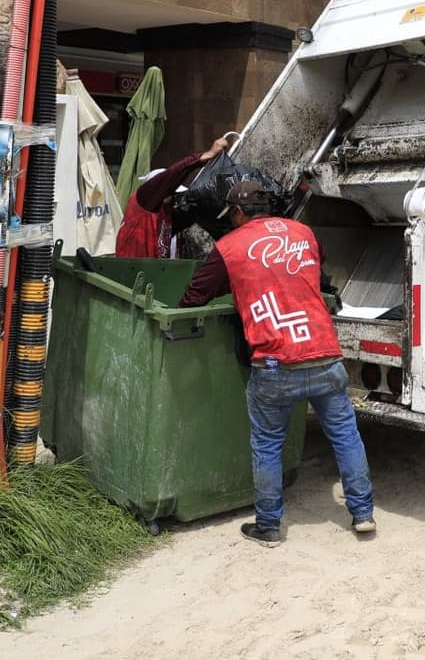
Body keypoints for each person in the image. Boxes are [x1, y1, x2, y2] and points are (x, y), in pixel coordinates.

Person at [178, 180, 375, 547]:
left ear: (237, 212)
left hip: (274, 363)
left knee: (268, 443)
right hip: (324, 353)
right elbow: (316, 268)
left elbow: (195, 295)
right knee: (346, 435)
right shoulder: (303, 232)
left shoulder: (230, 246)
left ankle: (268, 526)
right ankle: (363, 513)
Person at [115, 134, 233, 259]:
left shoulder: (166, 215)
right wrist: (204, 157)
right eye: (171, 191)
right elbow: (172, 175)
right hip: (130, 270)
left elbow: (194, 212)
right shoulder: (144, 201)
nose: (173, 197)